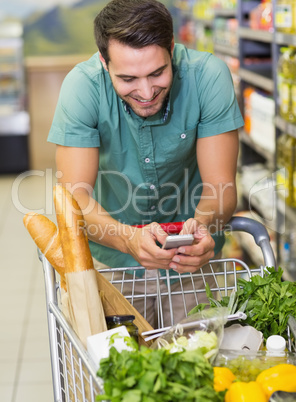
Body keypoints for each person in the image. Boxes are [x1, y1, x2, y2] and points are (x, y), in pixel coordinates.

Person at [48, 0, 243, 327]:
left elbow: (221, 187)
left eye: (157, 72)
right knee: (118, 373)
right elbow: (74, 198)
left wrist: (204, 226)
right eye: (128, 79)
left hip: (193, 268)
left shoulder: (208, 77)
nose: (146, 91)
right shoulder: (82, 87)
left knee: (203, 369)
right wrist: (127, 238)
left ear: (171, 49)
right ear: (104, 63)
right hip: (114, 266)